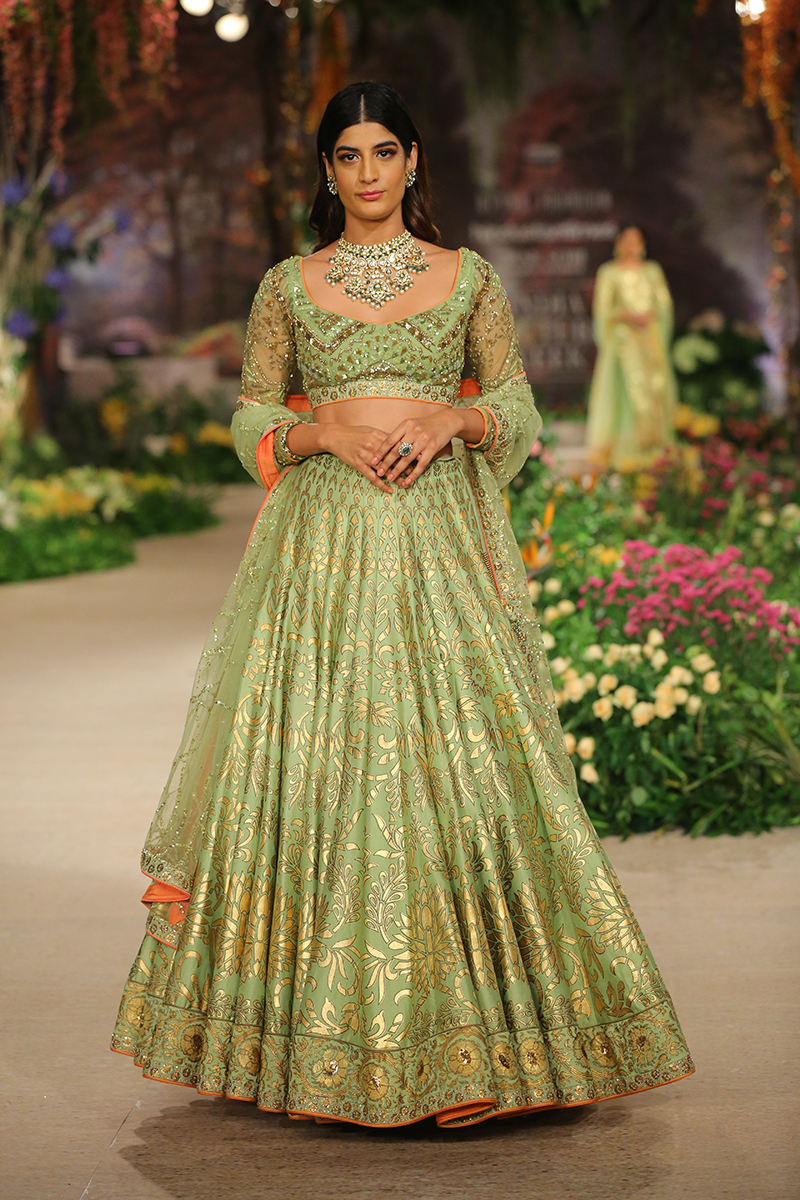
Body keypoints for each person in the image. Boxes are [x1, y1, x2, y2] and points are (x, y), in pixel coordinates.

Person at [111, 83, 693, 1128]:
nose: (368, 171)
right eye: (348, 154)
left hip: (436, 547)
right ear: (327, 171)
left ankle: (478, 1044)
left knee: (451, 764)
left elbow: (515, 403)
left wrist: (452, 423)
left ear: (413, 161)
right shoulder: (287, 286)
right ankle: (302, 1047)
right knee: (322, 766)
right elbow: (250, 413)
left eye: (385, 151)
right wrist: (320, 433)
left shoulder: (468, 278)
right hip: (322, 553)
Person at [586, 226, 678, 470]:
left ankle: (654, 448)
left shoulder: (652, 271)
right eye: (626, 240)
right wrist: (624, 316)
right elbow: (602, 311)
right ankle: (622, 452)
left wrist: (650, 316)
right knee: (626, 394)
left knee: (654, 390)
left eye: (636, 241)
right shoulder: (609, 273)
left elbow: (664, 306)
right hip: (623, 344)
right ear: (618, 244)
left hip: (649, 342)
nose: (631, 246)